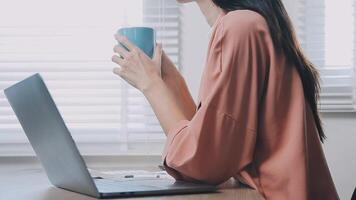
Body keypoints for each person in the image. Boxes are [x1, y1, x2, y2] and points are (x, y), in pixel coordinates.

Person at [111, 0, 339, 199]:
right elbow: (216, 141)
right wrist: (169, 80)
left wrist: (151, 85)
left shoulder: (240, 26)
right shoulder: (242, 23)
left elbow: (204, 163)